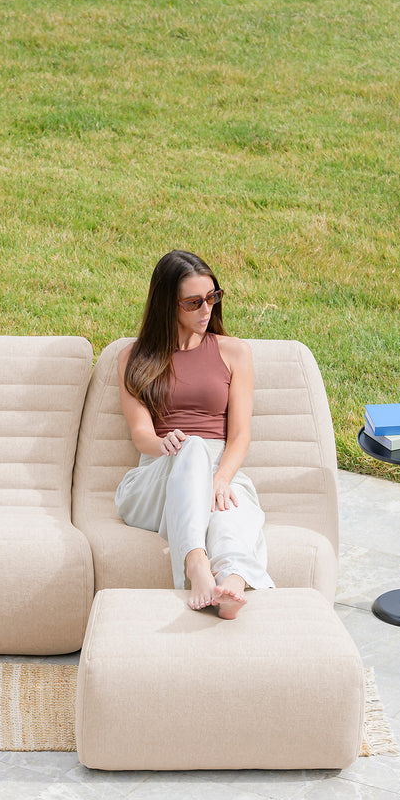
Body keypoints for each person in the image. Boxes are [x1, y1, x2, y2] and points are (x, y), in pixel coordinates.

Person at [115, 249, 274, 619]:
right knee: (193, 447)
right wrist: (163, 443)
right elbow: (141, 433)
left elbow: (239, 437)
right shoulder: (133, 357)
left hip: (219, 468)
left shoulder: (234, 352)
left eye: (212, 297)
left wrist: (220, 478)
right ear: (167, 305)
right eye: (193, 302)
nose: (206, 309)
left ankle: (231, 585)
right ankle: (196, 566)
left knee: (229, 506)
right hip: (156, 476)